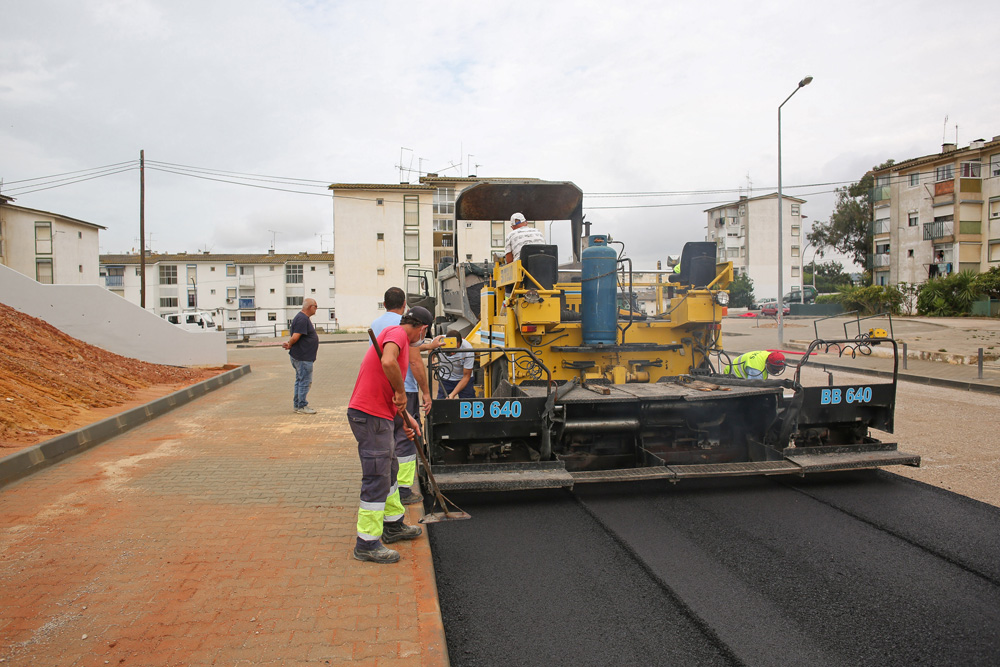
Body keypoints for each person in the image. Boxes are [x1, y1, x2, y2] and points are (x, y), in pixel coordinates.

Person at [349, 305, 434, 564]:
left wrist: (406, 416)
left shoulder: (400, 338)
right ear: (423, 328)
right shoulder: (397, 333)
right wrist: (400, 392)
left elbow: (386, 385)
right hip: (369, 416)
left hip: (380, 414)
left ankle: (393, 524)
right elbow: (387, 362)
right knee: (377, 476)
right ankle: (366, 543)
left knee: (391, 471)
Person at [370, 287, 442, 505]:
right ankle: (403, 489)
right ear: (404, 305)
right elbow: (412, 360)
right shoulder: (402, 327)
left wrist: (428, 345)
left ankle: (390, 485)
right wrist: (426, 393)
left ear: (384, 304)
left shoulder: (378, 324)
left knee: (388, 437)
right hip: (404, 388)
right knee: (408, 437)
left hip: (382, 390)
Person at [282, 298, 319, 414]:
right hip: (303, 357)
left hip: (303, 356)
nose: (316, 308)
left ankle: (298, 405)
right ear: (310, 307)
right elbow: (295, 337)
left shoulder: (302, 318)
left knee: (300, 380)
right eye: (315, 306)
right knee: (304, 381)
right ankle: (302, 405)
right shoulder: (302, 319)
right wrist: (289, 344)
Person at [435, 330, 476, 399]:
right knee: (441, 405)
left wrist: (452, 395)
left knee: (468, 404)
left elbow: (466, 376)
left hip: (463, 380)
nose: (453, 353)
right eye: (451, 349)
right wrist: (432, 360)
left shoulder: (468, 349)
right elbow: (430, 347)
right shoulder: (439, 342)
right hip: (446, 379)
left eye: (456, 349)